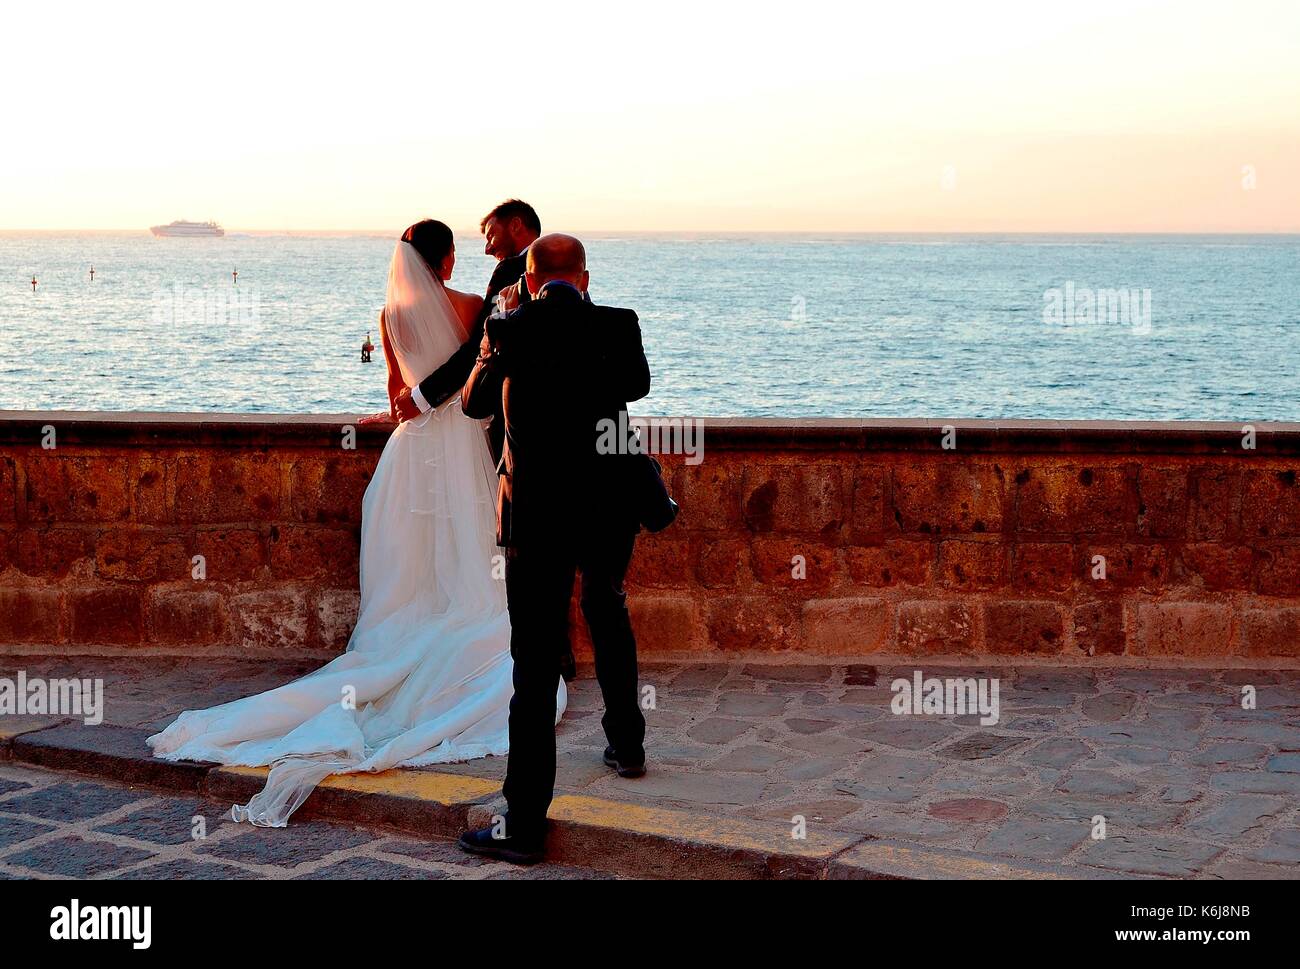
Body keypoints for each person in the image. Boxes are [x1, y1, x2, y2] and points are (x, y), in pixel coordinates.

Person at [147, 220, 565, 826]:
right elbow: (473, 380)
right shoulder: (474, 305)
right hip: (460, 444)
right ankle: (453, 643)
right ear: (443, 262)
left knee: (411, 564)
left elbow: (400, 392)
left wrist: (400, 412)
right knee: (469, 554)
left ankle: (398, 648)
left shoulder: (388, 315)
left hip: (410, 446)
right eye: (451, 256)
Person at [456, 233, 650, 864]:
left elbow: (472, 405)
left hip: (537, 516)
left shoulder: (511, 327)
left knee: (534, 664)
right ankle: (627, 744)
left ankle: (526, 822)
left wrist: (500, 330)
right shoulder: (618, 325)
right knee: (607, 608)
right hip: (606, 506)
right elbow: (636, 386)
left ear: (531, 279)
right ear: (585, 278)